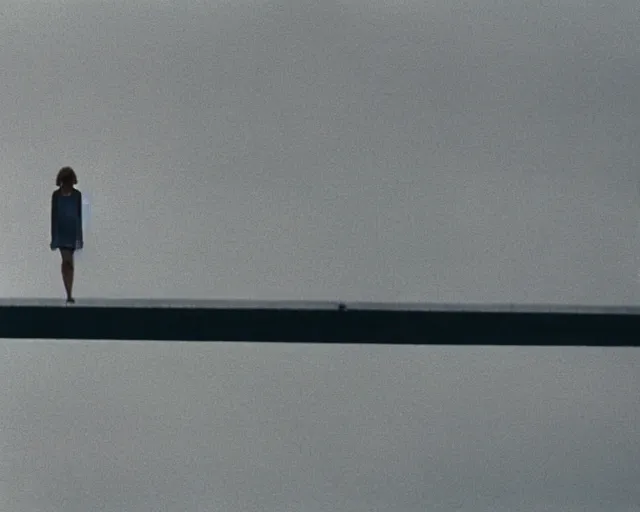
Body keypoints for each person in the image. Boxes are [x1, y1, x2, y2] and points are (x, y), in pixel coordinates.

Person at [50, 167, 83, 304]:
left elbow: (78, 216)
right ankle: (68, 293)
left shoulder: (77, 195)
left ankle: (69, 292)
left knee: (69, 262)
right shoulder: (56, 195)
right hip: (61, 232)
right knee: (67, 261)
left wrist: (79, 237)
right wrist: (54, 237)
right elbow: (54, 216)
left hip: (72, 232)